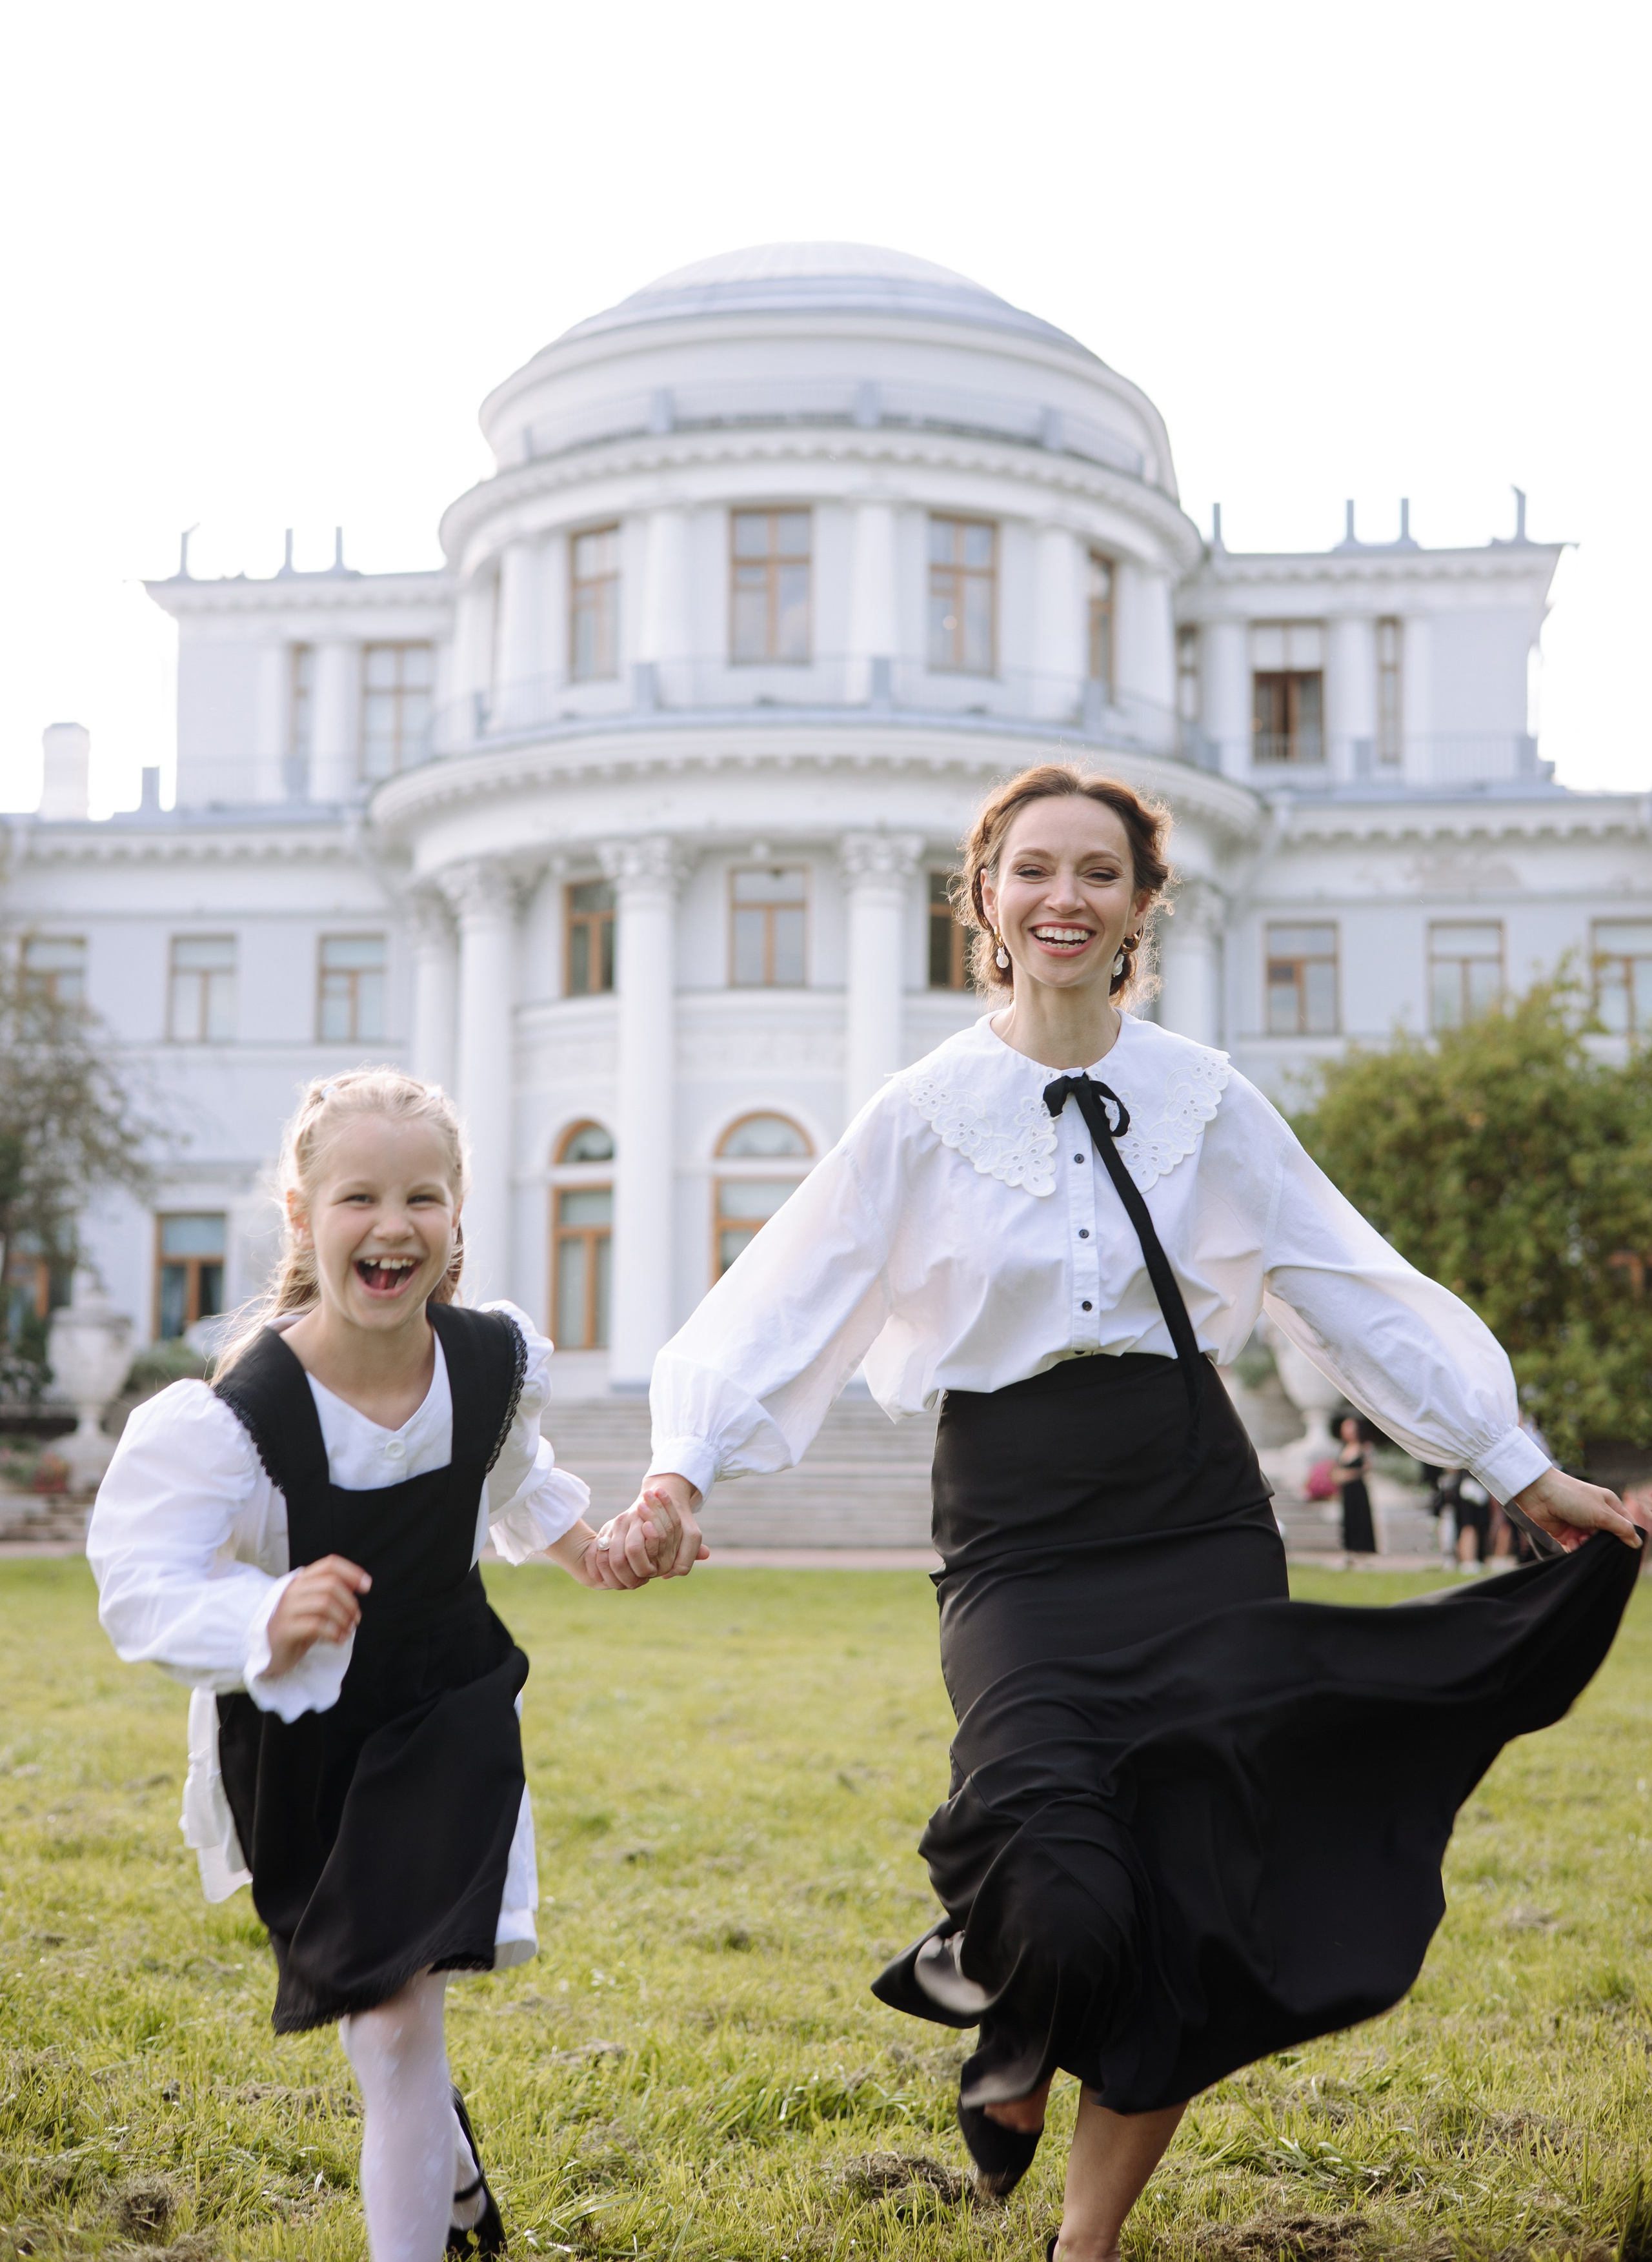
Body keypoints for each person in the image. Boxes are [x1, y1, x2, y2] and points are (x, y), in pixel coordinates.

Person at [597, 763, 1642, 2262]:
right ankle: (1011, 1986)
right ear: (984, 898)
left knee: (1192, 1889)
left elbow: (1346, 1287)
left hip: (1191, 1506)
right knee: (1051, 1855)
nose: (1063, 896)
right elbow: (791, 1289)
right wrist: (681, 1461)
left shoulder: (1203, 1095)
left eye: (1098, 871)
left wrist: (1510, 1458)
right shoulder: (923, 1110)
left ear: (1145, 903)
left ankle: (1081, 2239)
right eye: (1032, 868)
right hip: (1018, 1526)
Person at [88, 1069, 684, 2262]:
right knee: (383, 2032)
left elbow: (509, 1476)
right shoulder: (234, 1421)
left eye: (425, 1197)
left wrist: (598, 1549)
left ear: (458, 1216)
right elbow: (139, 1582)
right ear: (304, 1216)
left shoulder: (488, 1363)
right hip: (301, 1751)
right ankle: (451, 2180)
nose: (395, 1224)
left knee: (402, 2029)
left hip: (446, 1713)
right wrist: (265, 1614)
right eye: (359, 1196)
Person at [1331, 1413, 1377, 1555]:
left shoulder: (1365, 1447)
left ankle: (1363, 1550)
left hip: (1358, 1489)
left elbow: (1368, 1468)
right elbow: (1335, 1470)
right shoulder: (1342, 1448)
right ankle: (1349, 1549)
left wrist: (1349, 1474)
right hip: (1346, 1490)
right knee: (1348, 1519)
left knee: (1361, 1518)